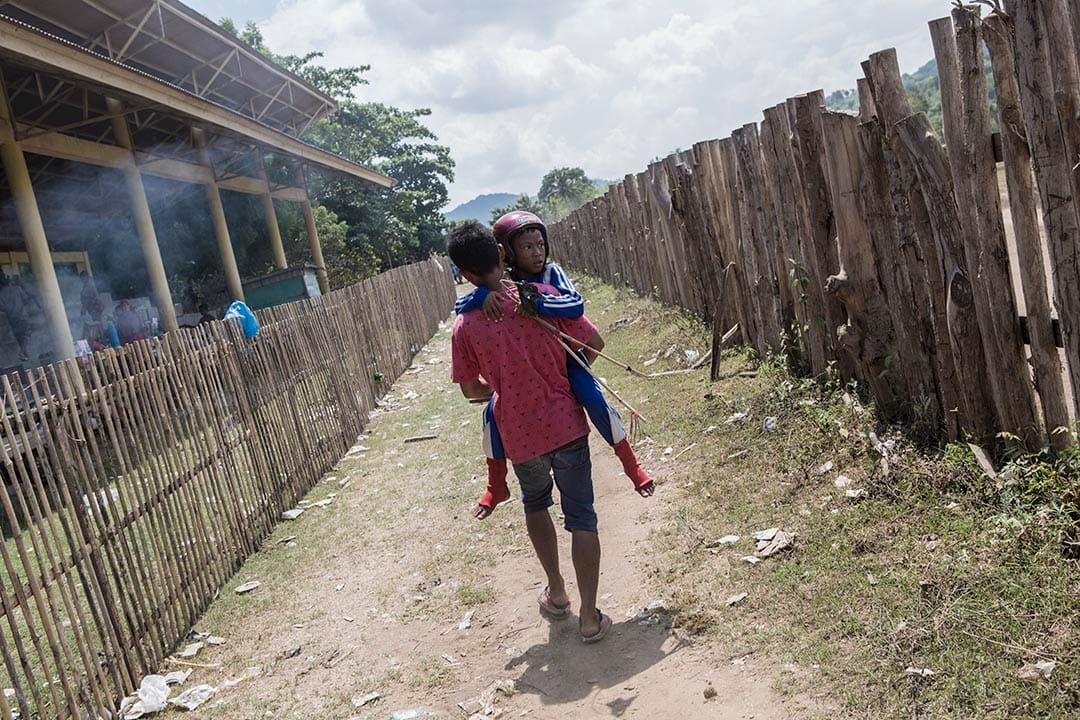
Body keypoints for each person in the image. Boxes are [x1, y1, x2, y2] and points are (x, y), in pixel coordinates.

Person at [449, 221, 611, 643]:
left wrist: (503, 387)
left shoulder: (465, 326)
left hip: (519, 436)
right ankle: (590, 617)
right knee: (582, 516)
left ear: (465, 274)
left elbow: (471, 390)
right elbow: (594, 342)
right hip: (565, 424)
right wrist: (564, 375)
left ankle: (557, 593)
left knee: (535, 503)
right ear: (503, 255)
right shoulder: (539, 299)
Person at [456, 211, 654, 515]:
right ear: (505, 252)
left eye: (540, 245)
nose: (537, 253)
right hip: (527, 376)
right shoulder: (506, 281)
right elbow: (462, 302)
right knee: (493, 415)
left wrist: (538, 305)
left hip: (566, 361)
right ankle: (496, 485)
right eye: (527, 247)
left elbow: (575, 305)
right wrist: (482, 296)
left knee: (594, 399)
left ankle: (632, 465)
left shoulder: (552, 275)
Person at [0, 274, 33, 361]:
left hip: (12, 318)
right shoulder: (17, 289)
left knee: (19, 336)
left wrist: (9, 309)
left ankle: (25, 355)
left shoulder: (1, 294)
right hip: (22, 315)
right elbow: (26, 299)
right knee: (26, 333)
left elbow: (1, 307)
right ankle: (22, 353)